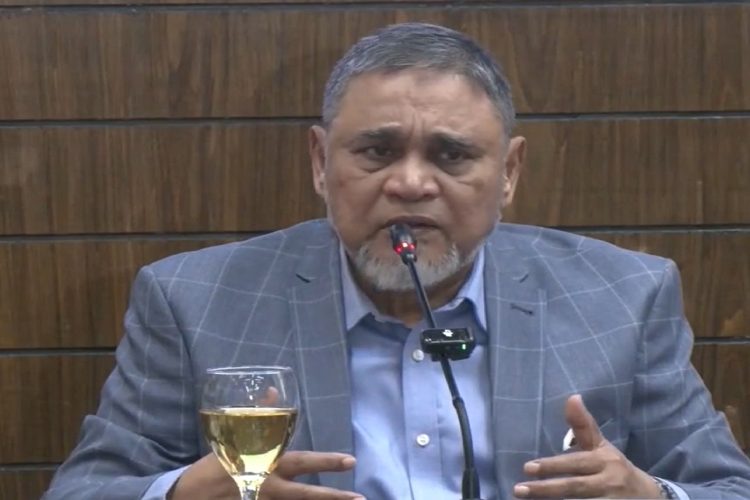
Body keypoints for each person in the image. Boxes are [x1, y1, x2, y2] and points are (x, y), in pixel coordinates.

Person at [44, 22, 750, 500]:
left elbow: (728, 487)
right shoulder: (192, 301)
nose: (411, 183)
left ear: (508, 173)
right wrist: (178, 495)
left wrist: (653, 495)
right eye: (378, 151)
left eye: (451, 155)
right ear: (321, 162)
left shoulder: (624, 296)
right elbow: (82, 490)